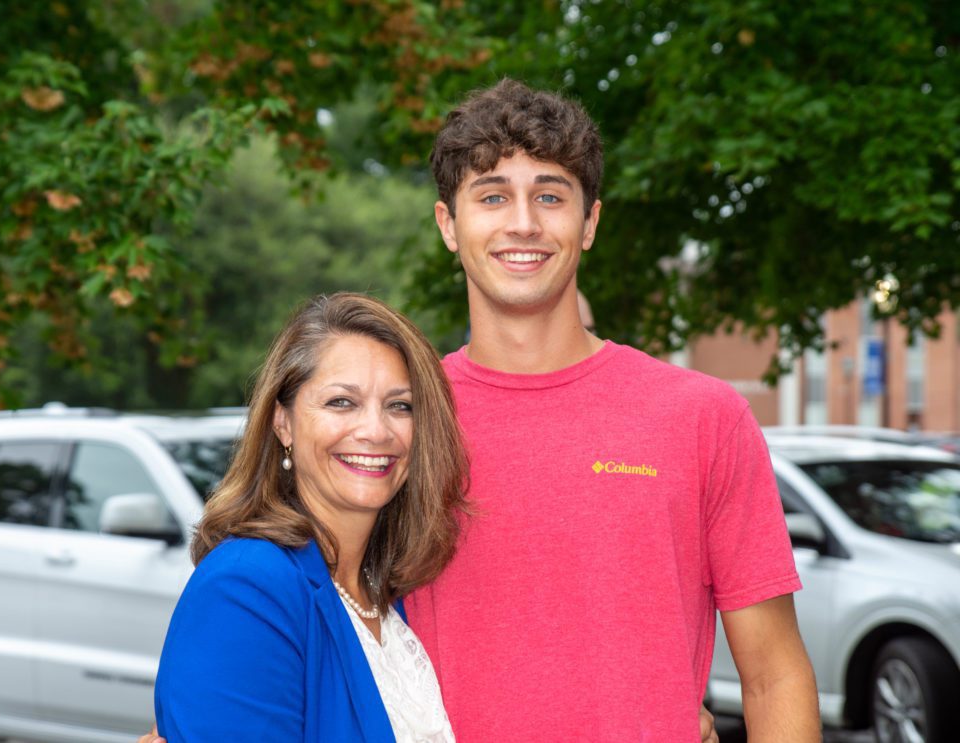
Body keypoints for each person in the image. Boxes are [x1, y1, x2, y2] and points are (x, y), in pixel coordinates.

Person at [145, 79, 817, 741]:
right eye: (492, 196)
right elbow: (309, 626)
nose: (522, 222)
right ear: (448, 223)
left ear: (589, 223)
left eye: (550, 196)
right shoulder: (399, 427)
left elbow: (773, 676)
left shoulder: (702, 416)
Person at [152, 293, 466, 741]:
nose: (376, 431)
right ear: (283, 422)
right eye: (341, 402)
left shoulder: (390, 598)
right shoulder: (248, 589)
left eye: (400, 406)